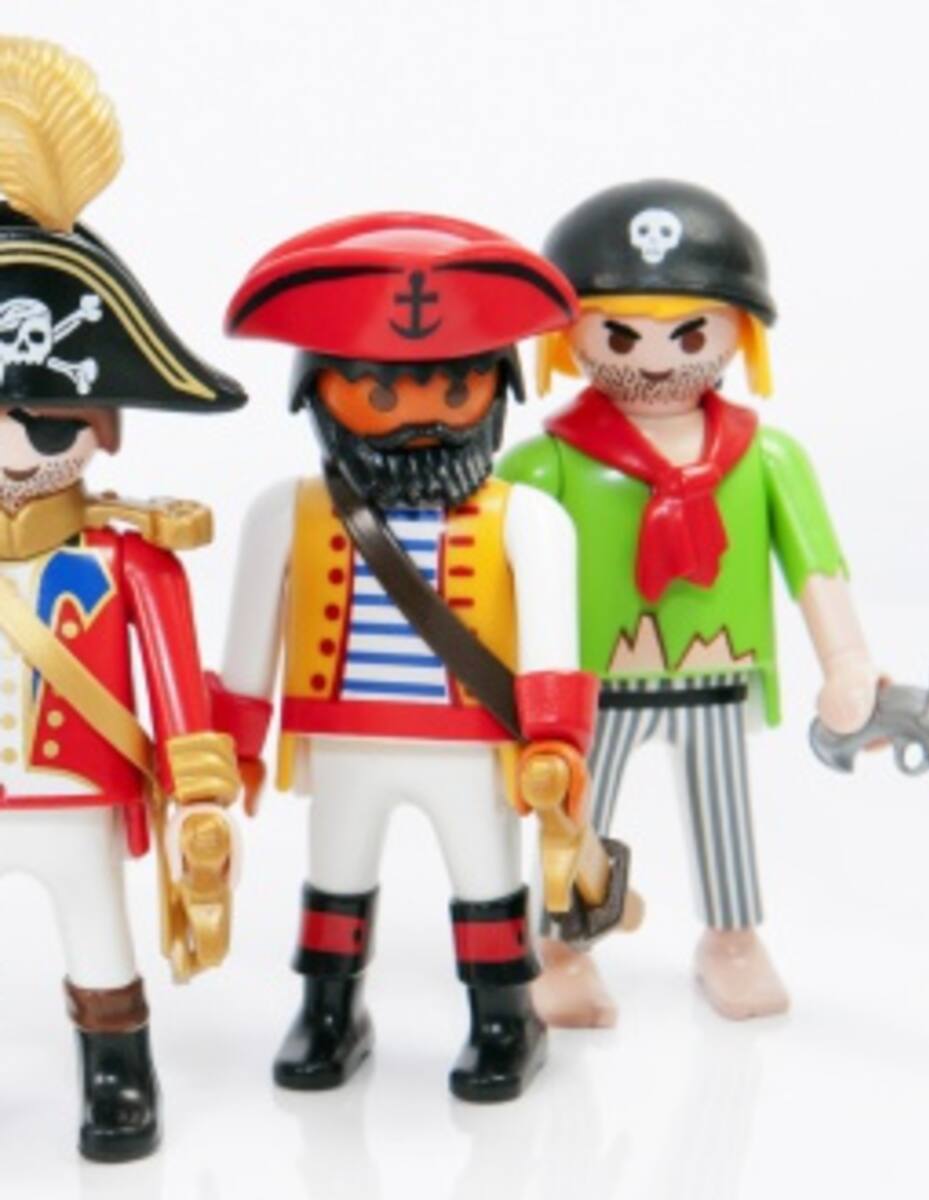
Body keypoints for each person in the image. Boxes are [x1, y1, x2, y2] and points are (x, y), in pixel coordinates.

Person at [213, 212, 598, 1101]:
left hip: (474, 744)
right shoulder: (288, 513)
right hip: (342, 741)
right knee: (335, 879)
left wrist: (554, 741)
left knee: (486, 882)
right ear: (320, 395)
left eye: (456, 391)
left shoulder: (526, 518)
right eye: (379, 397)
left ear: (496, 391)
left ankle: (505, 1018)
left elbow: (554, 644)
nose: (421, 420)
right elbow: (246, 647)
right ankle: (329, 1012)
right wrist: (227, 752)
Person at [499, 180, 880, 1024]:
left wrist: (847, 661)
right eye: (621, 333)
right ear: (568, 334)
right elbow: (493, 575)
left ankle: (733, 939)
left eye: (691, 333)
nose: (657, 360)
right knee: (578, 817)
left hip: (715, 675)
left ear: (742, 330)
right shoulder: (548, 463)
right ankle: (563, 946)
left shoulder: (768, 458)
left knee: (724, 814)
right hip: (589, 689)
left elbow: (816, 569)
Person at [0, 38, 245, 1161]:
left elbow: (178, 689)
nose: (16, 445)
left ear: (100, 428)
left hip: (75, 793)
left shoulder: (129, 560)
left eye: (45, 421)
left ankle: (119, 1076)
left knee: (97, 931)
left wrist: (198, 795)